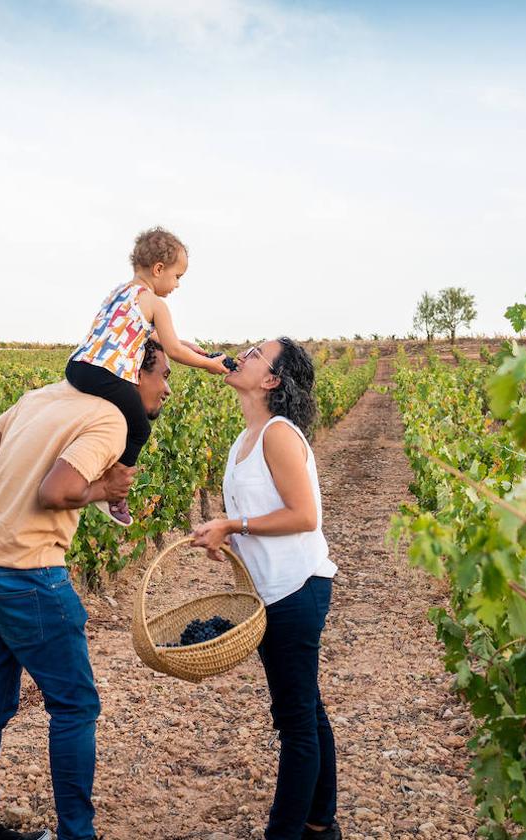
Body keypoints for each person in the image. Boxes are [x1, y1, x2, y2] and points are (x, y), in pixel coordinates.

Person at [0, 339, 172, 840]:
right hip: (28, 573)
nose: (165, 388)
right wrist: (102, 490)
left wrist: (27, 464)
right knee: (75, 706)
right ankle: (78, 833)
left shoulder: (42, 397)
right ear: (131, 373)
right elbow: (55, 493)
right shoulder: (110, 420)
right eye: (161, 374)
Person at [192, 338, 340, 840]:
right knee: (304, 709)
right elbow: (258, 517)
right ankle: (322, 823)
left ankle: (287, 832)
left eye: (256, 353)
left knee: (295, 722)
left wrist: (234, 525)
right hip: (271, 593)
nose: (242, 354)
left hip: (297, 589)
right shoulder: (245, 439)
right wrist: (226, 535)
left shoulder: (278, 433)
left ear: (272, 380)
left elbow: (304, 515)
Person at [66, 226, 231, 526]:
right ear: (159, 269)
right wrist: (207, 365)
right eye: (177, 276)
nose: (177, 284)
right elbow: (174, 351)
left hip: (77, 367)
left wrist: (194, 347)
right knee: (140, 428)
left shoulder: (119, 293)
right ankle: (114, 491)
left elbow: (153, 336)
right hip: (106, 373)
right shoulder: (156, 303)